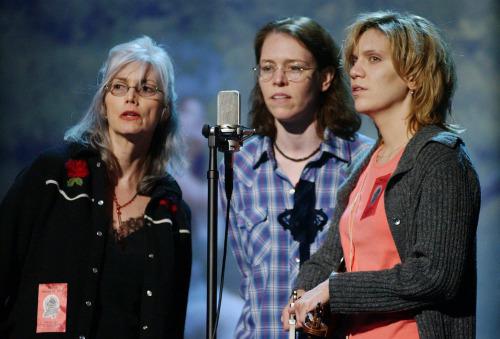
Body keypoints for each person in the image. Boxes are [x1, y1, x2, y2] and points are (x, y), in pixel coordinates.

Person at [281, 10, 481, 339]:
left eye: (374, 59)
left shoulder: (441, 159)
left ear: (413, 76)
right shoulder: (364, 164)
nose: (356, 71)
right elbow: (330, 255)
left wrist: (334, 290)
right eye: (355, 60)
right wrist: (303, 294)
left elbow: (435, 275)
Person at [0, 36, 192, 339]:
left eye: (146, 88)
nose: (131, 97)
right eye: (119, 86)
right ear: (104, 103)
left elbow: (169, 321)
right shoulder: (52, 175)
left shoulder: (172, 210)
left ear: (165, 109)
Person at [219, 17, 373, 338]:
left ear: (326, 77)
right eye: (267, 67)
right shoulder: (239, 166)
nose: (278, 80)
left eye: (294, 68)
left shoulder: (363, 162)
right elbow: (247, 274)